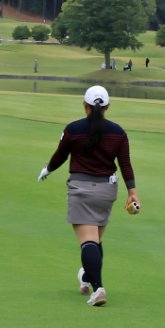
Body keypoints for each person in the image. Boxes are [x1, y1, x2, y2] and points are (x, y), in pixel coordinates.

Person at [37, 85, 139, 307]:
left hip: (81, 190)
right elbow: (125, 164)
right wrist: (132, 193)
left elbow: (60, 156)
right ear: (107, 106)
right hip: (107, 192)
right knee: (96, 240)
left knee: (89, 242)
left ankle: (98, 289)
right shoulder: (118, 133)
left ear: (85, 105)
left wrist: (47, 169)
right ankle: (86, 277)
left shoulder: (74, 129)